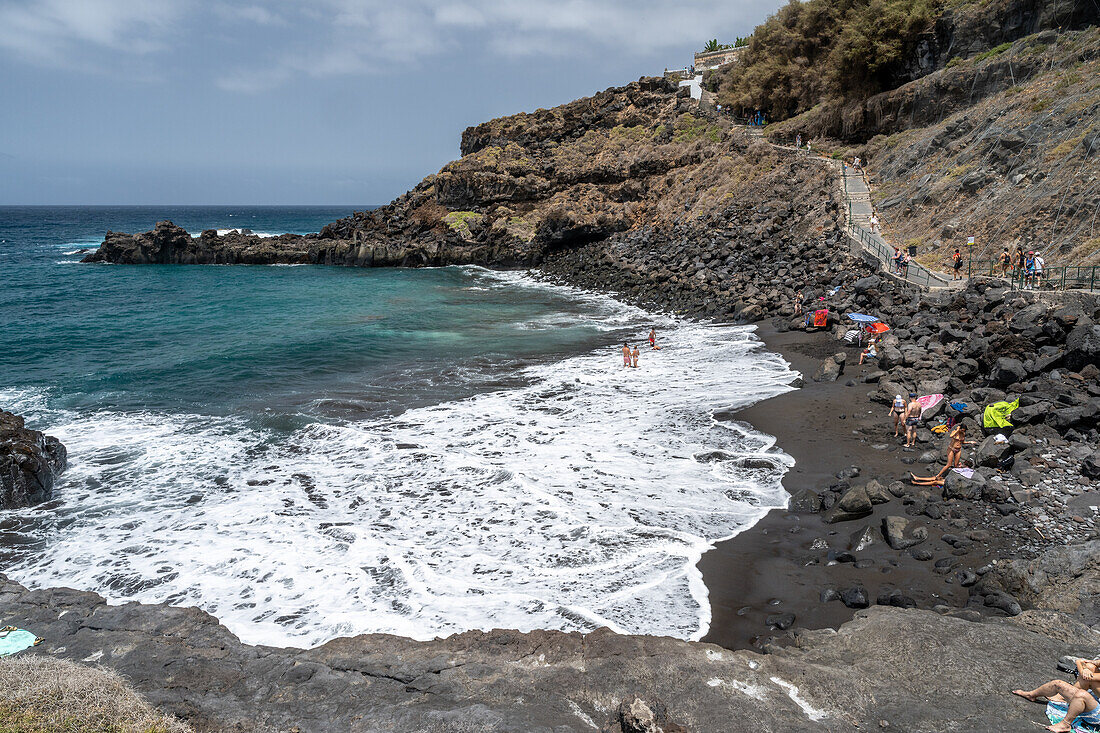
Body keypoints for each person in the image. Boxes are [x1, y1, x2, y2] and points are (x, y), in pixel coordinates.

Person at [1013, 666, 1100, 733]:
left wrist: (1085, 670)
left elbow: (1087, 675)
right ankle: (1031, 695)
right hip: (1094, 700)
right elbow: (1081, 662)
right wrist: (1085, 668)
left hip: (1097, 717)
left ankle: (1065, 724)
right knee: (1058, 684)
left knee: (1082, 695)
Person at [909, 425, 976, 483]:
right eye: (962, 430)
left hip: (958, 450)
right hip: (951, 449)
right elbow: (951, 436)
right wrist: (957, 430)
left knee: (956, 465)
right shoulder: (956, 432)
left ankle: (953, 477)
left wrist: (970, 442)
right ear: (960, 428)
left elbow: (963, 442)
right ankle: (938, 475)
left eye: (964, 430)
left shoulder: (963, 434)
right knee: (949, 464)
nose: (963, 431)